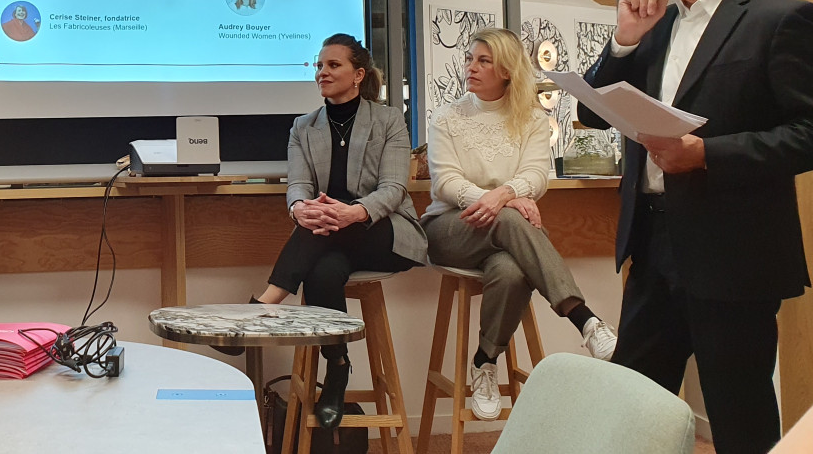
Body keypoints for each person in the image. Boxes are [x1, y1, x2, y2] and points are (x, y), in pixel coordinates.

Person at [580, 0, 813, 454]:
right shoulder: (653, 21)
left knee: (739, 414)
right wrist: (625, 44)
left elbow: (807, 134)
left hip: (734, 254)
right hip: (653, 243)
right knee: (634, 408)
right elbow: (595, 118)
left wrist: (707, 153)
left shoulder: (778, 20)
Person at [216, 34, 425, 429]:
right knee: (323, 271)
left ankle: (262, 307)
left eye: (333, 65)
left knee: (327, 233)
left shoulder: (388, 120)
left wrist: (354, 212)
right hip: (331, 236)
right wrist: (300, 209)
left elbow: (395, 189)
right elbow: (298, 186)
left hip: (386, 231)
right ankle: (337, 370)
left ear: (358, 75)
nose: (322, 73)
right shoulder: (303, 127)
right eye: (319, 65)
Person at [424, 28, 617, 422]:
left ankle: (484, 362)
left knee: (512, 270)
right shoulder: (446, 116)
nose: (471, 67)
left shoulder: (530, 117)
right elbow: (445, 181)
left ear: (508, 71)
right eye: (469, 59)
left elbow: (537, 175)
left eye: (483, 60)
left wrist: (506, 195)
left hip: (505, 235)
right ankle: (585, 320)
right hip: (450, 227)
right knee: (511, 219)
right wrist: (501, 199)